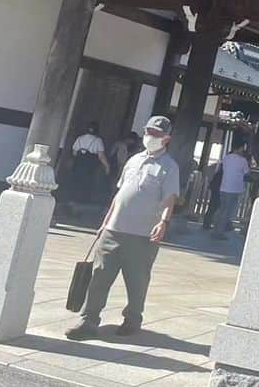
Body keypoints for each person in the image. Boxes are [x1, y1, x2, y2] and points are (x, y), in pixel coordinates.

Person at [65, 116, 180, 340]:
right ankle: (88, 320)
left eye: (156, 134)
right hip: (113, 229)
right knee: (99, 276)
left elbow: (170, 199)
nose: (150, 137)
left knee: (137, 280)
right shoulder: (134, 160)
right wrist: (105, 223)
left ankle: (132, 319)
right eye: (148, 132)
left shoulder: (169, 167)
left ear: (166, 138)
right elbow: (119, 195)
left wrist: (163, 222)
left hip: (142, 234)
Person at [211, 139, 252, 240]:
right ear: (241, 148)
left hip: (224, 187)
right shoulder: (242, 161)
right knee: (227, 212)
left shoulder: (226, 158)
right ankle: (219, 232)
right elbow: (247, 173)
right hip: (234, 189)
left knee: (221, 209)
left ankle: (215, 228)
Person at [67, 122, 109, 208]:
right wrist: (107, 166)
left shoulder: (79, 138)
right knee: (87, 183)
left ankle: (72, 200)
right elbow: (101, 156)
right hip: (90, 165)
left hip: (78, 163)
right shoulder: (97, 140)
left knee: (76, 181)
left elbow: (74, 152)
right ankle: (82, 202)